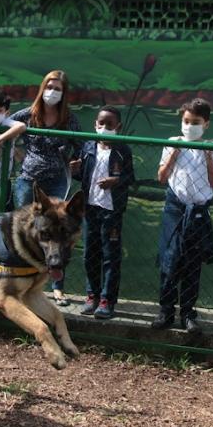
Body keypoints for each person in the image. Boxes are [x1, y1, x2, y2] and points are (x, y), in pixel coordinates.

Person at [10, 70, 81, 306]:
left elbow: (82, 144)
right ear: (42, 88)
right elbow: (5, 124)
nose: (53, 92)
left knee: (58, 235)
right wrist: (5, 143)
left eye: (58, 88)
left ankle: (57, 288)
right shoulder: (28, 114)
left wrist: (77, 160)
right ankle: (19, 283)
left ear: (64, 92)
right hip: (28, 179)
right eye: (49, 87)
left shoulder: (69, 119)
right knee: (23, 232)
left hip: (57, 180)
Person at [152, 98, 213, 333]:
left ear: (206, 124)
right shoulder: (173, 142)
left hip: (198, 211)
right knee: (169, 261)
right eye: (186, 121)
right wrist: (175, 152)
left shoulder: (212, 146)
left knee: (192, 264)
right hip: (175, 208)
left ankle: (188, 313)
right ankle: (166, 310)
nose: (190, 126)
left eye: (196, 122)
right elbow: (161, 177)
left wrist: (208, 156)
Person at [75, 106, 134, 319]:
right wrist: (75, 170)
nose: (104, 128)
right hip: (90, 208)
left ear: (118, 126)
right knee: (90, 254)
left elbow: (130, 178)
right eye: (101, 123)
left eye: (110, 124)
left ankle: (107, 300)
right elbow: (81, 175)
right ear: (95, 124)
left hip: (111, 211)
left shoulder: (122, 150)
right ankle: (92, 295)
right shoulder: (88, 147)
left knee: (110, 256)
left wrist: (116, 181)